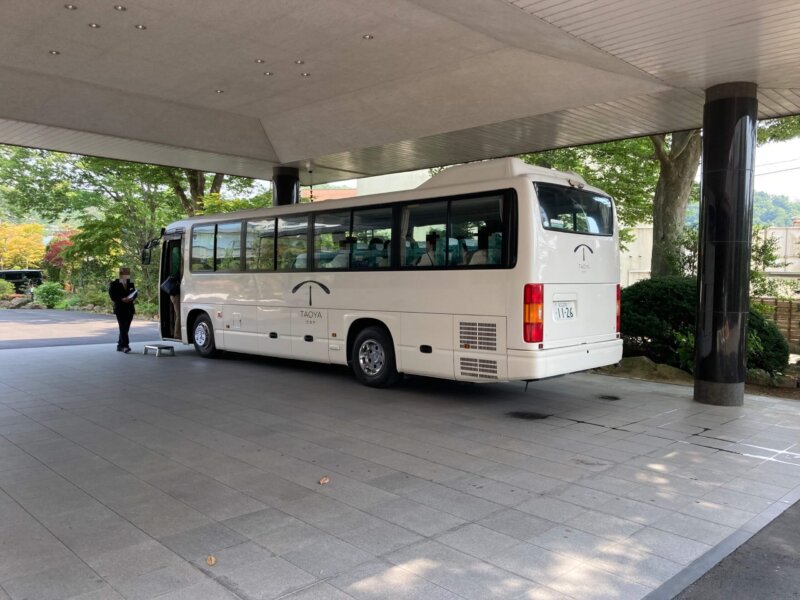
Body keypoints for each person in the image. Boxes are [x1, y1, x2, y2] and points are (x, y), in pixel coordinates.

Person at [109, 266, 136, 353]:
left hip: (129, 308)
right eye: (123, 274)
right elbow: (112, 296)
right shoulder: (114, 284)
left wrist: (132, 298)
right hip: (120, 308)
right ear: (120, 274)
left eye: (127, 274)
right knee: (122, 327)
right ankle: (125, 346)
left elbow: (134, 293)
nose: (125, 275)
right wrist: (121, 299)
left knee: (126, 327)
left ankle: (119, 345)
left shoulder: (130, 283)